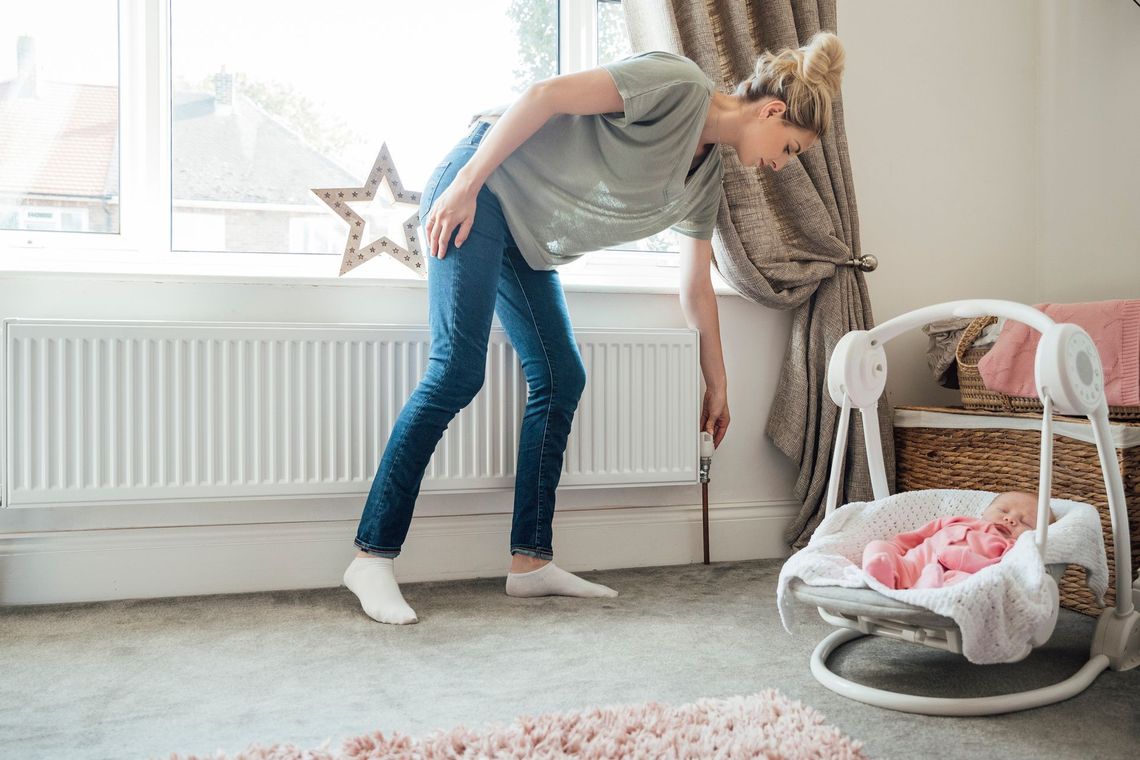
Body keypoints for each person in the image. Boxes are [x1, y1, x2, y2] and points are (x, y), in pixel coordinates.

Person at [342, 32, 848, 624]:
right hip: (479, 189)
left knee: (562, 377)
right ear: (772, 111)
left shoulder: (706, 179)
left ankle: (530, 562)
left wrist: (719, 382)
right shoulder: (678, 85)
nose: (780, 165)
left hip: (522, 239)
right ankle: (370, 554)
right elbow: (546, 95)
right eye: (788, 148)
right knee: (456, 371)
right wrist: (465, 185)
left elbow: (695, 284)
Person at [861, 491, 1055, 590]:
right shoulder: (957, 521)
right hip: (911, 564)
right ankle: (881, 574)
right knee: (877, 546)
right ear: (985, 511)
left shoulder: (1010, 547)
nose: (1010, 519)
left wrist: (961, 559)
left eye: (1025, 522)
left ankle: (927, 591)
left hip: (951, 577)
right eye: (1003, 511)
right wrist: (895, 549)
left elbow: (998, 569)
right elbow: (918, 536)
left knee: (967, 585)